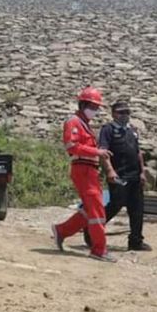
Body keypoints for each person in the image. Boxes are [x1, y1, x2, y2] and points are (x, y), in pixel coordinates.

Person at [51, 86, 116, 263]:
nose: (94, 110)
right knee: (97, 211)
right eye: (92, 106)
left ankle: (61, 231)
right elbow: (71, 146)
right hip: (82, 169)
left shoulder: (84, 124)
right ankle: (99, 249)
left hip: (89, 170)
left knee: (90, 210)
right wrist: (97, 152)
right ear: (83, 104)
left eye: (96, 107)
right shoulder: (74, 122)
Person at [95, 101, 152, 251]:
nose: (125, 115)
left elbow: (138, 152)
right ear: (114, 114)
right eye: (121, 112)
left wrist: (142, 172)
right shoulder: (107, 130)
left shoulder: (131, 130)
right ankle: (92, 232)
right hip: (119, 175)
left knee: (137, 209)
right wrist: (110, 171)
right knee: (115, 205)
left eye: (127, 112)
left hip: (134, 176)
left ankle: (135, 241)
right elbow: (103, 153)